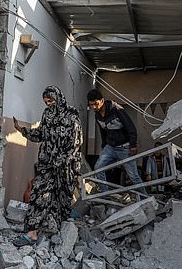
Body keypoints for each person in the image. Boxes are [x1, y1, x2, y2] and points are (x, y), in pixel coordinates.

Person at [12, 86, 83, 247]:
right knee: (38, 192)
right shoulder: (47, 114)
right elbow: (41, 134)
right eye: (46, 102)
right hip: (47, 164)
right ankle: (31, 233)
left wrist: (62, 160)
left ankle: (60, 231)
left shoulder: (71, 115)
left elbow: (76, 143)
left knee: (62, 198)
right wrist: (22, 130)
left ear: (58, 98)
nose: (49, 104)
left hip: (65, 166)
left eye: (51, 101)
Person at [87, 89, 147, 195]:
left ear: (102, 100)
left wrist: (133, 144)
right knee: (98, 168)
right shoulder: (97, 115)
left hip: (125, 147)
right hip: (110, 147)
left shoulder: (117, 109)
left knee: (133, 176)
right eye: (91, 105)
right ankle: (105, 196)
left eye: (96, 104)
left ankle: (145, 198)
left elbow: (130, 127)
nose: (94, 107)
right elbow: (103, 131)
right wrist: (104, 146)